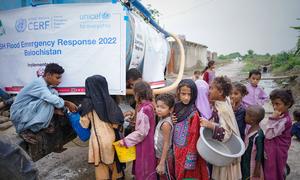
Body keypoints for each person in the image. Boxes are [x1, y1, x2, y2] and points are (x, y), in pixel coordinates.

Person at [10, 63, 77, 135]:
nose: (59, 81)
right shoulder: (38, 84)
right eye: (57, 78)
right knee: (49, 100)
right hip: (19, 115)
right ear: (48, 75)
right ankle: (29, 129)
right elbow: (51, 99)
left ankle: (38, 125)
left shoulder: (47, 87)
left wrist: (55, 110)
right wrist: (67, 103)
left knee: (54, 93)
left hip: (26, 111)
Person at [79, 75, 125, 179]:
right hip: (112, 138)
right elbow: (116, 123)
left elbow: (84, 124)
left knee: (101, 166)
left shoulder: (87, 103)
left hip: (97, 140)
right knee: (114, 164)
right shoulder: (110, 101)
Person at [200, 76, 242, 180]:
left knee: (224, 175)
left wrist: (210, 125)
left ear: (220, 92)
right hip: (224, 148)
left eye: (211, 88)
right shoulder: (224, 100)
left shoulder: (222, 110)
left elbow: (226, 134)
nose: (209, 91)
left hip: (225, 151)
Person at [119, 81, 156, 180]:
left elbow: (141, 133)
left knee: (144, 167)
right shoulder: (149, 106)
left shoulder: (144, 109)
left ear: (138, 94)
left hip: (144, 144)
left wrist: (125, 141)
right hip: (149, 141)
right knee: (147, 165)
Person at [173, 79, 209, 180]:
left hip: (187, 152)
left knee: (187, 175)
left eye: (189, 94)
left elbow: (194, 137)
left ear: (194, 95)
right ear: (178, 92)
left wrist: (190, 160)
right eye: (183, 93)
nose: (186, 97)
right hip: (176, 149)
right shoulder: (175, 107)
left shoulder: (194, 113)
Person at [263, 89, 294, 180]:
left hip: (277, 149)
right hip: (275, 147)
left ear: (287, 105)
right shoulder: (282, 115)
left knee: (273, 168)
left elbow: (268, 135)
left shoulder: (285, 120)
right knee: (275, 167)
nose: (274, 107)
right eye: (273, 104)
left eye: (277, 104)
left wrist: (272, 119)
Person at [154, 93, 175, 180]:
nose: (159, 109)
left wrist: (162, 163)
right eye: (158, 106)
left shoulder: (166, 124)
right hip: (160, 156)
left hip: (165, 158)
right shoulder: (162, 118)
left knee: (167, 177)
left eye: (163, 107)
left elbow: (167, 143)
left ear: (170, 110)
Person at [241, 105, 265, 180]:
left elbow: (259, 152)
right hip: (246, 160)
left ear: (252, 120)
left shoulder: (259, 135)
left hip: (253, 164)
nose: (244, 116)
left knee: (251, 176)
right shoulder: (250, 129)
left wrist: (257, 168)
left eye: (246, 115)